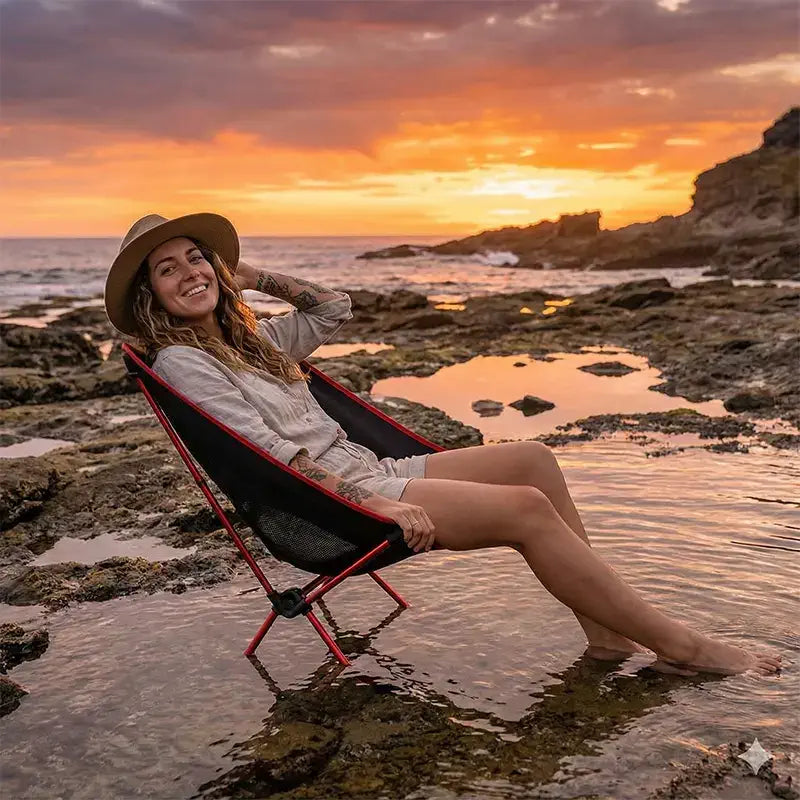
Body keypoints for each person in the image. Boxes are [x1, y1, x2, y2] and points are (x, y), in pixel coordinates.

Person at [104, 213, 782, 677]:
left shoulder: (251, 340)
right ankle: (684, 648)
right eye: (168, 269)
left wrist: (247, 278)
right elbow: (271, 454)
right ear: (150, 296)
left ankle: (606, 637)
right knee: (525, 508)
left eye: (197, 258)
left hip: (369, 468)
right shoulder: (184, 362)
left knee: (534, 459)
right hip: (336, 500)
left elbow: (333, 306)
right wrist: (378, 504)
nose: (189, 273)